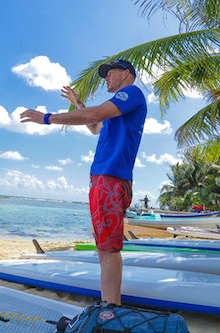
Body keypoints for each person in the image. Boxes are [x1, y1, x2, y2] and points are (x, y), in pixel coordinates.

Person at [20, 59, 147, 305]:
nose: (106, 79)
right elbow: (95, 126)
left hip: (111, 178)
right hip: (104, 179)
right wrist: (78, 104)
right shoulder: (118, 109)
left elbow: (95, 114)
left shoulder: (131, 93)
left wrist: (46, 118)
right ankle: (109, 307)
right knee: (104, 249)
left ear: (126, 74)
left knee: (109, 251)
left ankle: (111, 312)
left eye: (109, 73)